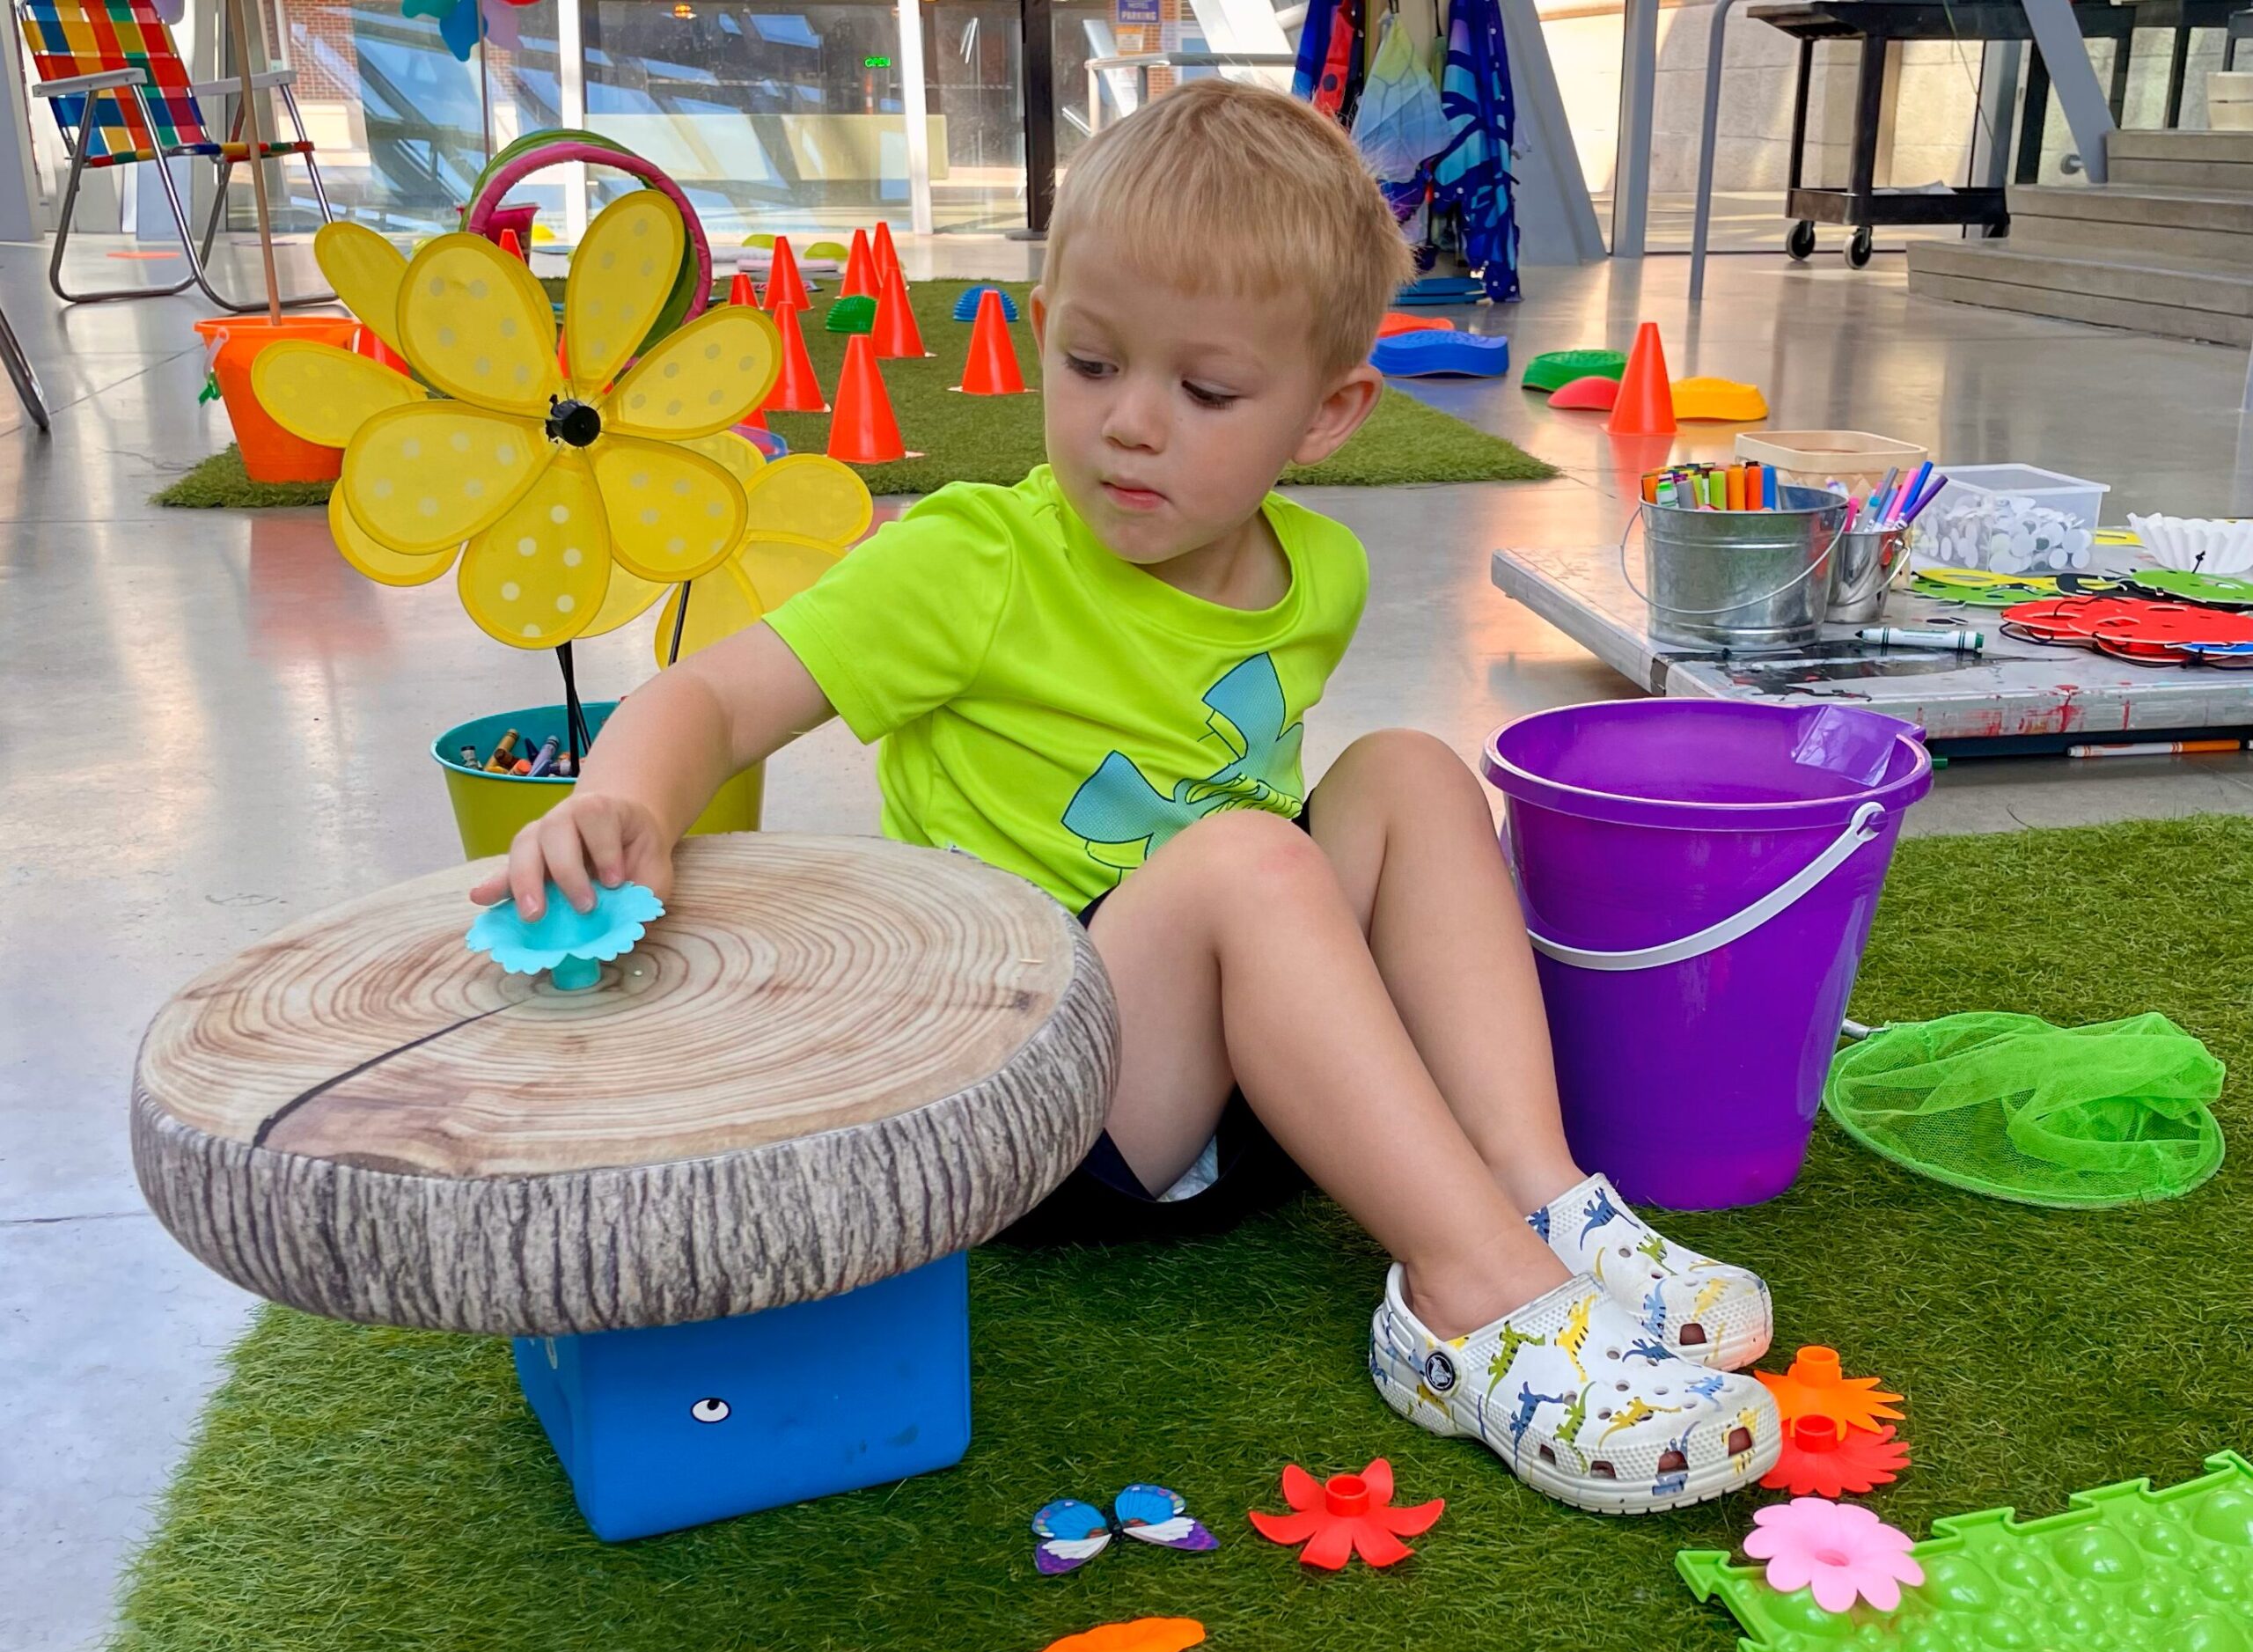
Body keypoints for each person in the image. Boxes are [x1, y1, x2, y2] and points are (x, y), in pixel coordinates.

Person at [473, 82, 1780, 1512]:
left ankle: (1535, 1188)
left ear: (1329, 413)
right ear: (1045, 336)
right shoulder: (974, 562)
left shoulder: (1318, 575)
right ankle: (1471, 1299)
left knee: (1405, 768)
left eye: (1207, 393)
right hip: (1039, 1116)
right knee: (1244, 861)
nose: (1132, 427)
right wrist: (623, 799)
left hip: (1250, 1067)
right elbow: (711, 697)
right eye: (1092, 364)